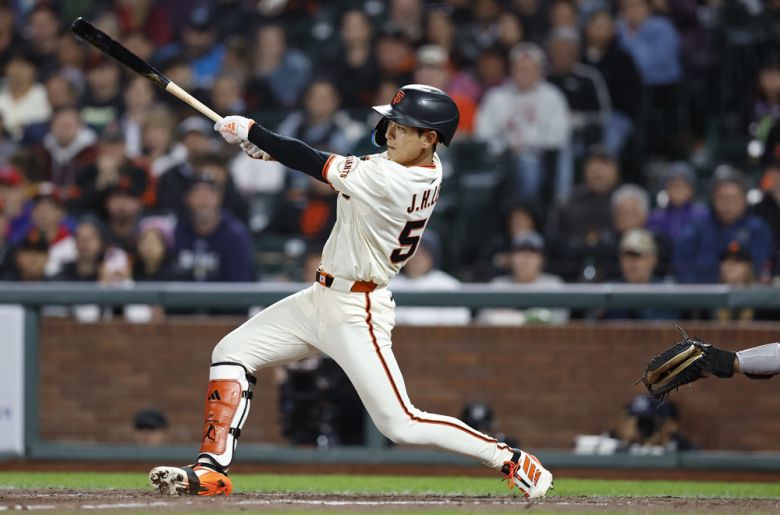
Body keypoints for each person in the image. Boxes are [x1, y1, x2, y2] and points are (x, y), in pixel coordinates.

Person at [149, 84, 553, 498]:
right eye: (392, 122)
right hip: (319, 298)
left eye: (402, 127)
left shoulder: (396, 179)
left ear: (429, 138)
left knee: (401, 423)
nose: (390, 132)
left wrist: (255, 132)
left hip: (357, 309)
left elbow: (318, 163)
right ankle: (212, 469)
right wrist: (267, 151)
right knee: (231, 351)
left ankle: (510, 458)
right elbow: (338, 167)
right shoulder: (417, 163)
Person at [475, 43, 571, 204]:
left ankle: (528, 213)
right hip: (501, 156)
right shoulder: (496, 97)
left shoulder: (552, 97)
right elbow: (483, 134)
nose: (524, 73)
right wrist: (505, 147)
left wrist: (527, 146)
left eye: (530, 69)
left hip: (539, 157)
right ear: (511, 70)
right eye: (520, 68)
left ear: (540, 70)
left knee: (528, 163)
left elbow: (559, 137)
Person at [478, 231, 569, 325]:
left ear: (542, 259)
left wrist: (513, 317)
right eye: (520, 252)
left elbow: (559, 319)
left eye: (532, 252)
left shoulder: (553, 285)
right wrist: (529, 317)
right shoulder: (498, 285)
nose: (526, 258)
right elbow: (484, 318)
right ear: (511, 258)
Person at [390, 231, 471, 326]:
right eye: (412, 252)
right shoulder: (389, 286)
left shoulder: (450, 286)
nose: (417, 258)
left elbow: (460, 322)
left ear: (433, 256)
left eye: (423, 253)